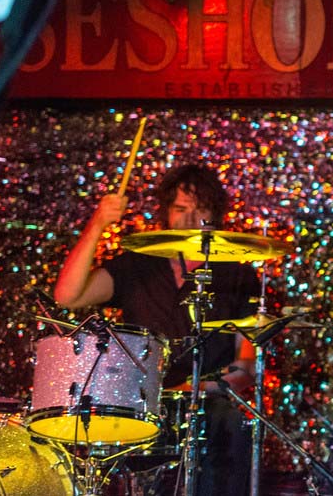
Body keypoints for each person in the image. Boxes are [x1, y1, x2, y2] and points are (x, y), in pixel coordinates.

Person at [54, 163, 258, 496]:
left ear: (216, 214)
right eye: (180, 209)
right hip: (140, 403)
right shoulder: (138, 265)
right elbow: (68, 295)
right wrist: (98, 225)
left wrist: (196, 389)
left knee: (232, 426)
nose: (190, 220)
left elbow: (246, 365)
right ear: (166, 212)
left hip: (207, 402)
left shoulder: (238, 275)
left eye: (200, 210)